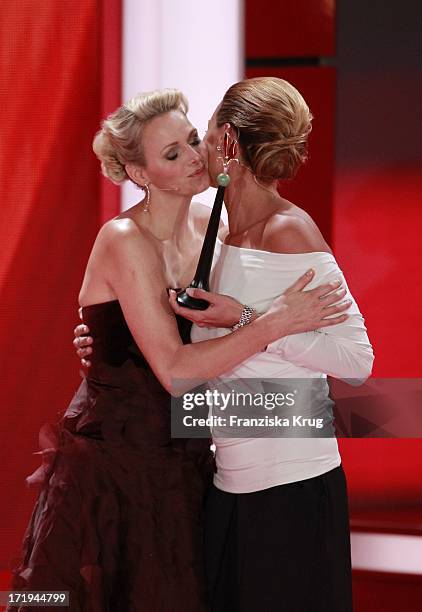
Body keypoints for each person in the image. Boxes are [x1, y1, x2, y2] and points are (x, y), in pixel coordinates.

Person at [9, 88, 350, 612]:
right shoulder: (123, 238)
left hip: (190, 458)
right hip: (116, 463)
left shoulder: (212, 225)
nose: (196, 156)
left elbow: (222, 349)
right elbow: (174, 370)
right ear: (139, 174)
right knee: (67, 599)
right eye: (173, 154)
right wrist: (271, 322)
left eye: (193, 140)